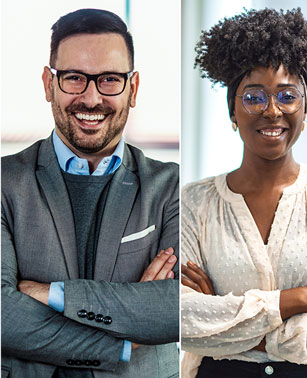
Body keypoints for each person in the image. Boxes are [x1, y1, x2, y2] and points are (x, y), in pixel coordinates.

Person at [179, 8, 307, 378]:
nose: (272, 111)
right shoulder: (192, 204)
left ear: (304, 110)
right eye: (254, 97)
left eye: (287, 96)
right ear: (233, 111)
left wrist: (232, 324)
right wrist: (297, 301)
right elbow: (181, 318)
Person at [1, 8, 179, 378]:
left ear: (133, 88)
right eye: (75, 78)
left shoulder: (173, 186)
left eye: (110, 79)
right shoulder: (4, 182)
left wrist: (53, 294)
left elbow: (178, 306)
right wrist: (124, 341)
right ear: (49, 84)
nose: (92, 98)